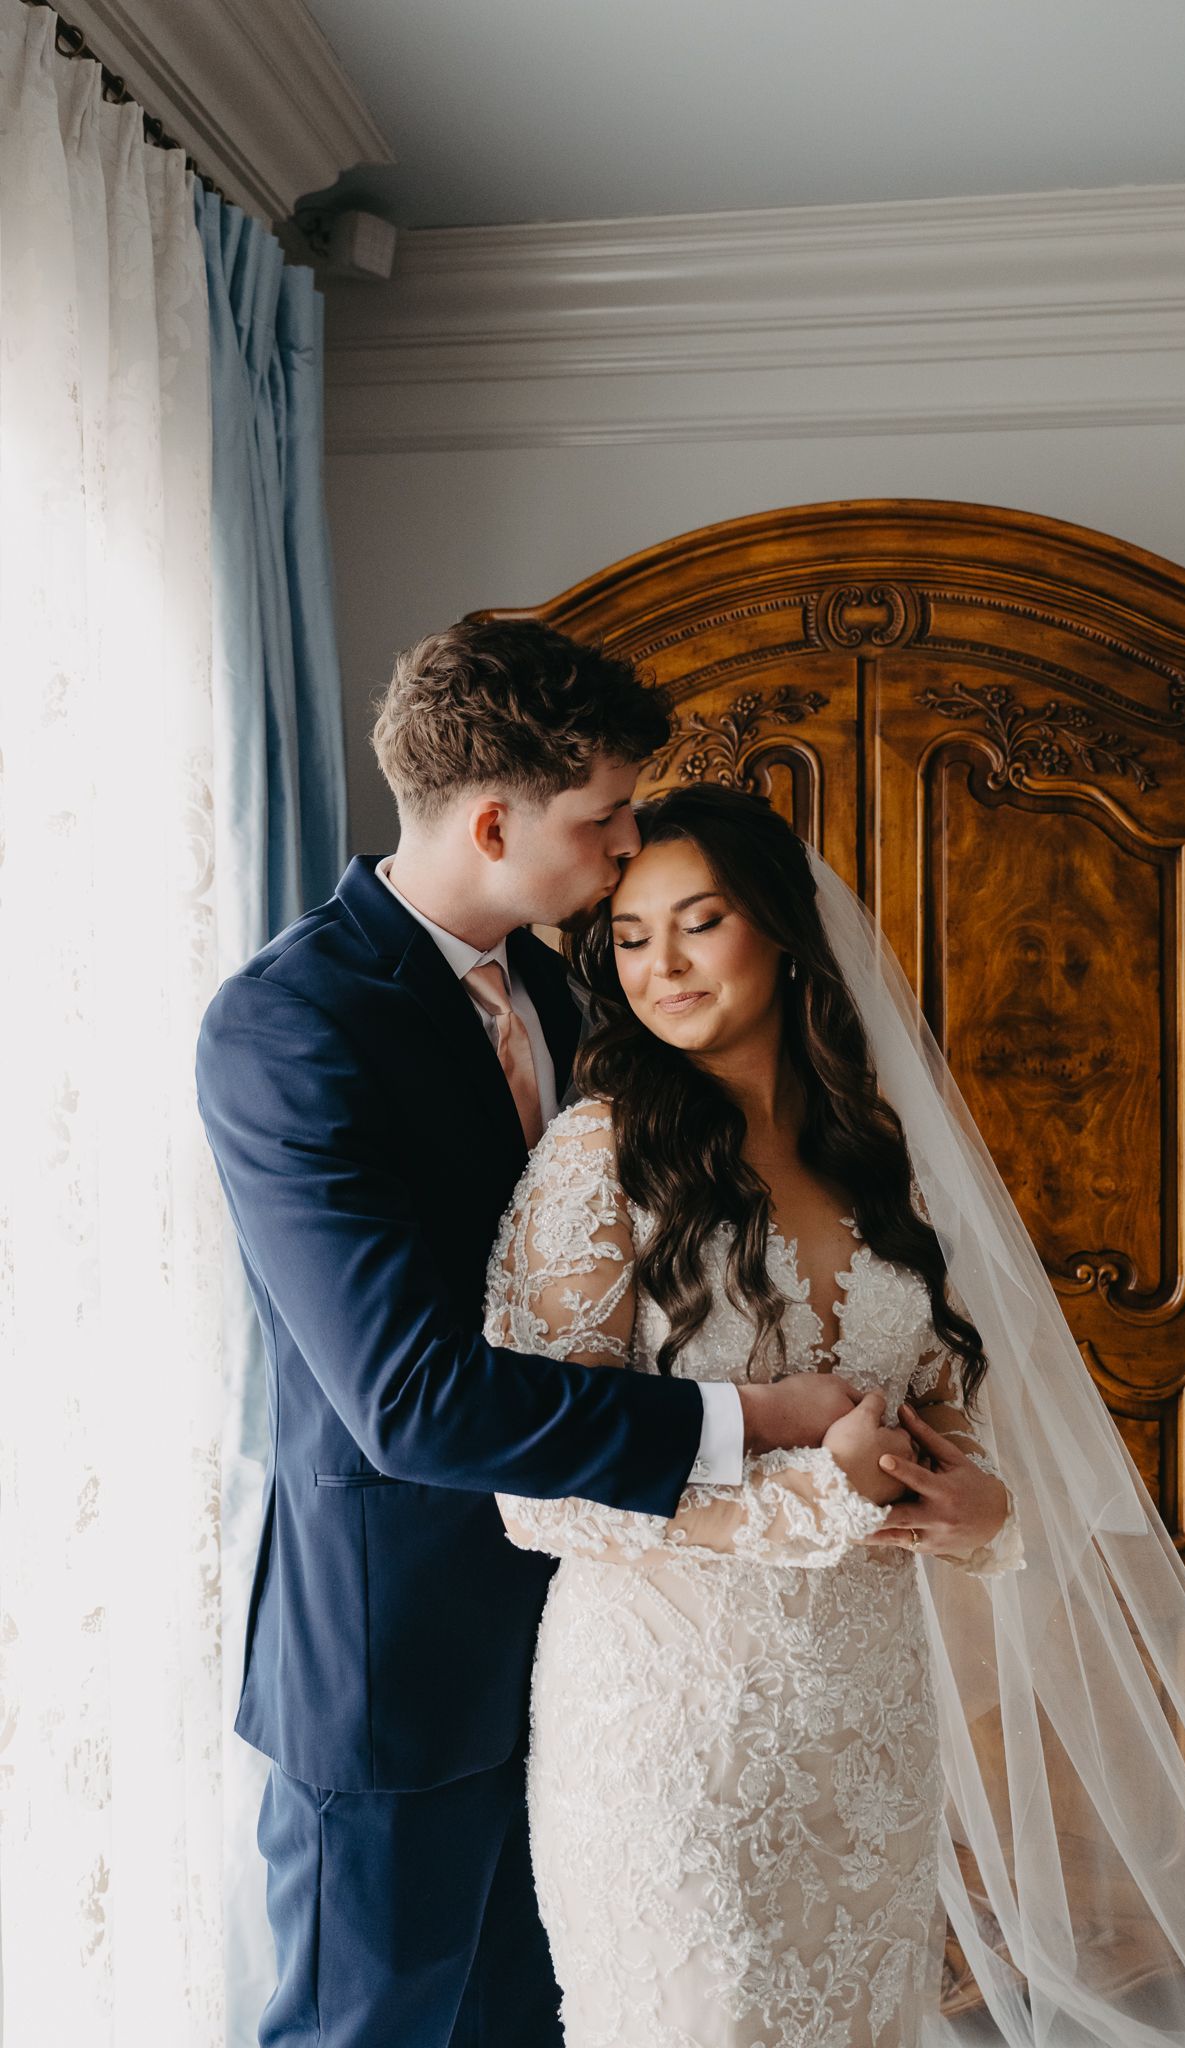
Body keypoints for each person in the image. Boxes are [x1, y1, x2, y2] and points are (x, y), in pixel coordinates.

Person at [485, 782, 1185, 2048]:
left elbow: (949, 1405)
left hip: (872, 1725)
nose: (659, 965)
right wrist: (824, 1491)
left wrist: (974, 1499)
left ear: (778, 930)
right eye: (629, 934)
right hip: (670, 1732)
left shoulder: (872, 1159)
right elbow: (538, 1483)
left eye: (700, 920)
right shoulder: (595, 1156)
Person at [195, 622, 919, 2048]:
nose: (625, 842)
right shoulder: (290, 1027)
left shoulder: (572, 990)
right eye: (600, 816)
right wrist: (757, 1420)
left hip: (617, 1666)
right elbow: (409, 1402)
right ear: (489, 820)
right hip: (400, 1662)